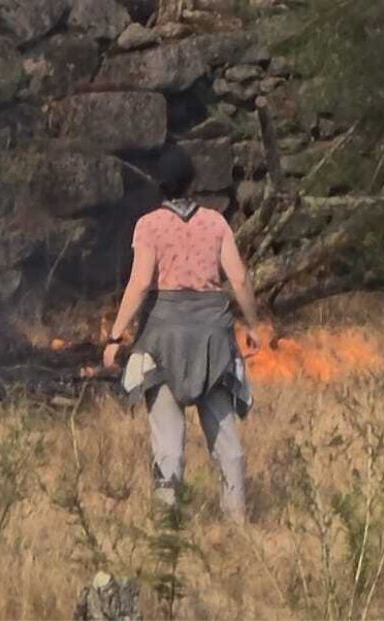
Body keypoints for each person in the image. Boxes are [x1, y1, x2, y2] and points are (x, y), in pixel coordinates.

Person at [102, 149, 262, 521]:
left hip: (163, 341)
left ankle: (168, 529)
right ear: (192, 182)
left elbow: (141, 283)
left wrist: (115, 336)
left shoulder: (148, 225)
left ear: (159, 185)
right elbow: (237, 277)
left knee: (168, 444)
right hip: (213, 341)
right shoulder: (216, 222)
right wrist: (252, 325)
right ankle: (236, 522)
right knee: (227, 443)